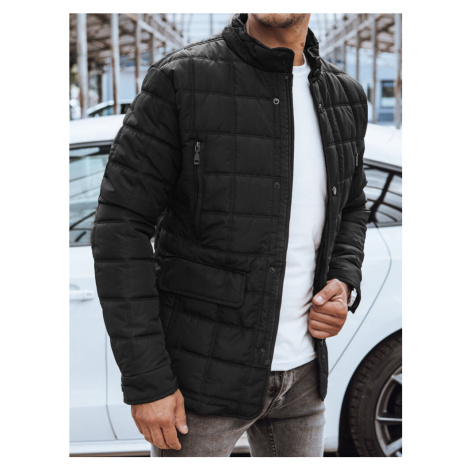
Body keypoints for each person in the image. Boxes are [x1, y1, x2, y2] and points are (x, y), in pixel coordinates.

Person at [91, 12, 370, 457]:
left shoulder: (345, 97)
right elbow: (120, 226)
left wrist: (343, 279)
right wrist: (148, 381)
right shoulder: (181, 79)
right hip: (200, 383)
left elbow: (352, 206)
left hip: (303, 380)